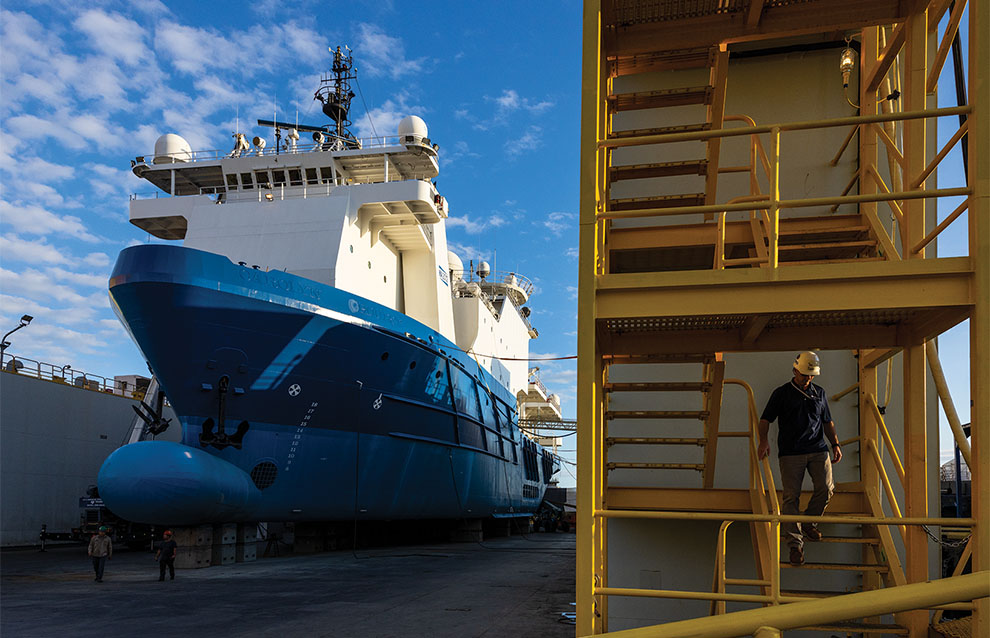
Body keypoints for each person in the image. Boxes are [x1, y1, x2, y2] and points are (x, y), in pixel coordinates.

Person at [757, 351, 842, 566]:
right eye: (805, 374)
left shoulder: (819, 393)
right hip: (791, 452)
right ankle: (795, 545)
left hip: (818, 449)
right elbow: (766, 419)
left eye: (811, 375)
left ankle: (809, 522)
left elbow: (827, 422)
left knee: (826, 487)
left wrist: (836, 444)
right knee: (790, 498)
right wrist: (763, 441)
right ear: (795, 370)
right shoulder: (781, 394)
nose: (808, 378)